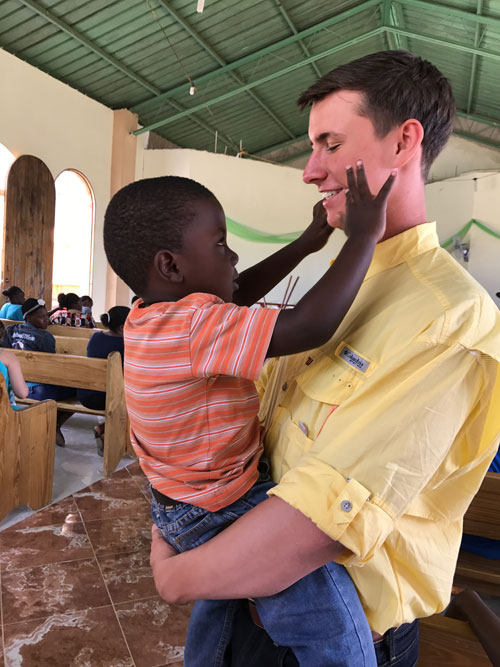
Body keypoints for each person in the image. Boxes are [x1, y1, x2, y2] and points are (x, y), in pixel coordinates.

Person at [148, 50, 500, 667]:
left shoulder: (447, 316)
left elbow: (319, 519)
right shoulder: (339, 281)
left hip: (326, 634)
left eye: (330, 144)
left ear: (404, 141)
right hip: (239, 603)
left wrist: (179, 575)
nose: (310, 172)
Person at [104, 167, 395, 666]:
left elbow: (234, 294)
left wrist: (307, 244)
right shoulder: (194, 327)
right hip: (223, 506)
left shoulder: (150, 316)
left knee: (222, 599)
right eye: (221, 244)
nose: (234, 256)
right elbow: (310, 325)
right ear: (171, 266)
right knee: (328, 616)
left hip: (178, 503)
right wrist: (364, 237)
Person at [3, 298, 75, 445]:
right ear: (28, 317)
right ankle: (55, 424)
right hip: (37, 389)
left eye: (46, 316)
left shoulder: (10, 330)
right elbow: (51, 367)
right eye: (41, 317)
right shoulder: (45, 337)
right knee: (80, 390)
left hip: (15, 386)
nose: (46, 320)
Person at [77, 305, 130, 456]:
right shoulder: (125, 344)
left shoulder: (96, 337)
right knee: (133, 398)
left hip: (85, 393)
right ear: (121, 328)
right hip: (107, 397)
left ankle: (102, 428)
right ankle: (107, 434)